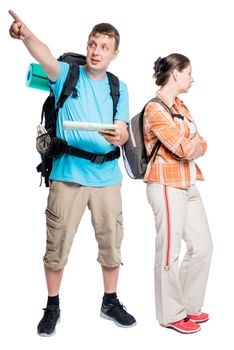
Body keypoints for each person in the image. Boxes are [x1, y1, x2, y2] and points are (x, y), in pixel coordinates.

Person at [9, 9, 136, 336]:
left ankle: (110, 301)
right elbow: (45, 55)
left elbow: (122, 129)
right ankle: (52, 306)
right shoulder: (67, 74)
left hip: (108, 179)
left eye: (104, 47)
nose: (96, 51)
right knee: (57, 245)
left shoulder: (117, 87)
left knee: (111, 244)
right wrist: (26, 35)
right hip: (68, 176)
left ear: (114, 53)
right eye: (93, 44)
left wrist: (120, 136)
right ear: (87, 45)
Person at [143, 53, 213, 334]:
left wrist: (193, 143)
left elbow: (203, 142)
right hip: (165, 184)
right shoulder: (154, 109)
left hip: (188, 182)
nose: (192, 78)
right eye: (188, 73)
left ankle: (188, 306)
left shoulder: (181, 106)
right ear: (175, 74)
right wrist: (192, 143)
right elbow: (184, 148)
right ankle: (171, 314)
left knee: (203, 246)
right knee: (169, 253)